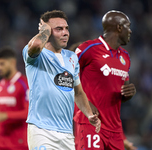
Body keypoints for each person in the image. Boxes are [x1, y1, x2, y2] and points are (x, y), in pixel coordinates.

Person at [22, 10, 101, 150]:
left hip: (66, 133)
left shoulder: (72, 57)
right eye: (59, 29)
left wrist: (89, 114)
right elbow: (35, 46)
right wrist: (45, 30)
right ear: (46, 32)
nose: (65, 33)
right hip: (41, 130)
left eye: (66, 28)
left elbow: (78, 93)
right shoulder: (36, 55)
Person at [73, 10, 137, 150]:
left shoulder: (125, 57)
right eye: (128, 26)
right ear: (119, 27)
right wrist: (86, 104)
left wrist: (128, 94)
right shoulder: (88, 49)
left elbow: (120, 93)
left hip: (115, 130)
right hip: (90, 124)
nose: (130, 31)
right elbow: (65, 78)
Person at [0, 47, 29, 150]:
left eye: (2, 64)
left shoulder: (24, 84)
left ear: (12, 62)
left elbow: (28, 113)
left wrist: (6, 115)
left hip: (18, 141)